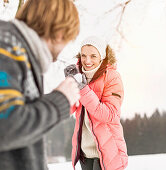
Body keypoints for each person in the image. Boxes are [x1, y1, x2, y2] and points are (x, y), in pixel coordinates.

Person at [0, 0, 80, 170]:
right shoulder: (5, 44)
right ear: (59, 32)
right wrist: (59, 101)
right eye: (68, 38)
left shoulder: (22, 50)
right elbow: (5, 125)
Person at [64, 36, 128, 170]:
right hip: (84, 152)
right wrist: (69, 84)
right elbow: (68, 110)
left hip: (108, 153)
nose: (87, 61)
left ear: (102, 56)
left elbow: (109, 115)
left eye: (93, 56)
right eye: (84, 55)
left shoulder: (112, 77)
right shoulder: (78, 76)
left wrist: (83, 89)